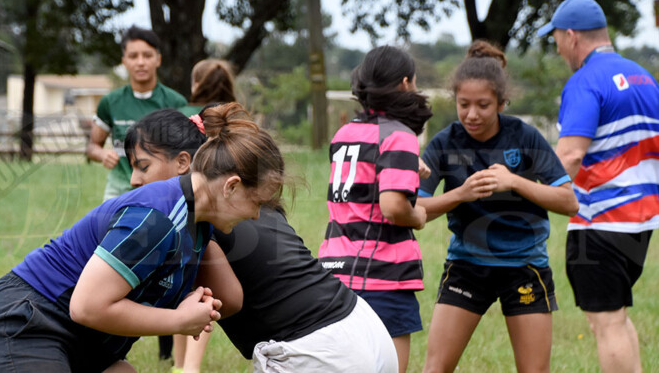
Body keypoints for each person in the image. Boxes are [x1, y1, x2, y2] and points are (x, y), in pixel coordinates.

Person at [0, 103, 285, 372]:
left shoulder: (195, 224)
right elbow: (86, 307)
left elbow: (229, 299)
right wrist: (177, 320)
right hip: (24, 325)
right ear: (230, 187)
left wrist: (194, 305)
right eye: (256, 203)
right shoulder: (156, 217)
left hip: (83, 342)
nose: (255, 215)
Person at [125, 108, 398, 373]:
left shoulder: (201, 216)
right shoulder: (242, 191)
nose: (134, 180)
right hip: (363, 327)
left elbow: (229, 301)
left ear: (183, 163)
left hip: (318, 351)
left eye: (143, 167)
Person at [418, 40, 579, 373]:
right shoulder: (445, 142)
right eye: (464, 104)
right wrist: (459, 194)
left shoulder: (525, 137)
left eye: (483, 105)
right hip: (466, 265)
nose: (472, 114)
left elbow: (569, 201)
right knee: (434, 369)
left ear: (502, 103)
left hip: (524, 266)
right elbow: (415, 207)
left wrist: (515, 182)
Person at [537, 0, 659, 371]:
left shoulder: (585, 82)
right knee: (615, 317)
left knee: (605, 322)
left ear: (571, 36)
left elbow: (570, 155)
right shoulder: (643, 77)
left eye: (556, 38)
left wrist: (527, 191)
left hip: (601, 222)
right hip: (641, 220)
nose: (556, 48)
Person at [318, 45, 431, 373]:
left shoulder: (344, 134)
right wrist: (418, 216)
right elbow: (393, 206)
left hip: (334, 273)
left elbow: (362, 188)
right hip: (382, 277)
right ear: (406, 83)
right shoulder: (399, 135)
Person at [170, 59, 237, 373]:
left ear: (195, 83)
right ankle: (189, 367)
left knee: (187, 288)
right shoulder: (235, 117)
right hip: (225, 213)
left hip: (187, 213)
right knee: (204, 292)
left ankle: (183, 365)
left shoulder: (186, 117)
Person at [87, 25, 188, 201]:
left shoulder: (176, 103)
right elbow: (92, 146)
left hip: (161, 192)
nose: (140, 62)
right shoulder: (109, 102)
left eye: (147, 55)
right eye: (133, 56)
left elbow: (186, 155)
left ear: (158, 59)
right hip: (118, 191)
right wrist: (102, 154)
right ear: (124, 61)